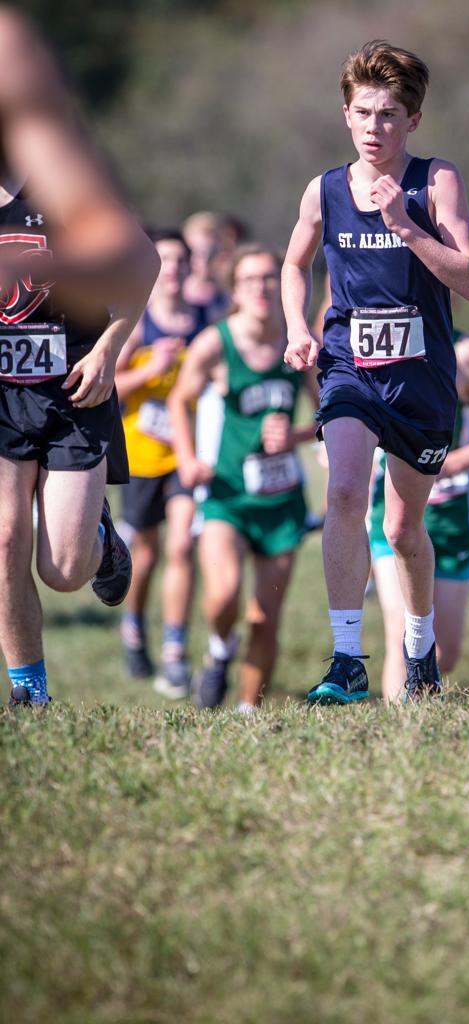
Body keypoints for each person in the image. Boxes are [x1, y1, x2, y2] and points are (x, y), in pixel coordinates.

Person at [282, 40, 469, 704]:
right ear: (346, 115)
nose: (375, 128)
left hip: (421, 381)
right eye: (364, 113)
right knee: (344, 493)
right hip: (350, 371)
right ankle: (347, 658)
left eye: (390, 114)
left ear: (413, 120)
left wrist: (405, 226)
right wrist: (297, 328)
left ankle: (419, 650)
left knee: (402, 529)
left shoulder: (437, 180)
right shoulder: (325, 190)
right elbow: (294, 264)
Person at [0, 7, 159, 706]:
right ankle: (30, 693)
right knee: (4, 540)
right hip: (2, 396)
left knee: (63, 570)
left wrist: (109, 350)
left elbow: (139, 263)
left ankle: (97, 528)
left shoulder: (54, 175)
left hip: (74, 387)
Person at [169, 244, 319, 710]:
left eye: (270, 277)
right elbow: (179, 400)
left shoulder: (299, 345)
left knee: (266, 617)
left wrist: (294, 437)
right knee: (225, 596)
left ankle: (247, 711)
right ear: (235, 290)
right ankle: (218, 650)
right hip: (227, 496)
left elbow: (331, 416)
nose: (262, 287)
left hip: (281, 504)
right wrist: (187, 458)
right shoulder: (216, 343)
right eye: (250, 279)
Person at [369, 327, 469, 701]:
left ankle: (420, 709)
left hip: (452, 517)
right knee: (400, 631)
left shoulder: (467, 354)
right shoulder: (377, 339)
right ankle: (402, 735)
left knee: (444, 652)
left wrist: (452, 463)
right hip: (390, 513)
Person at [114, 229, 208, 698]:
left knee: (181, 548)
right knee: (146, 552)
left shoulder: (206, 322)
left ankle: (174, 650)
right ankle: (133, 625)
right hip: (142, 456)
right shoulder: (136, 323)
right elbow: (107, 385)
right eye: (163, 261)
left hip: (188, 456)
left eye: (178, 261)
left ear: (191, 268)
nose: (170, 269)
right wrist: (150, 371)